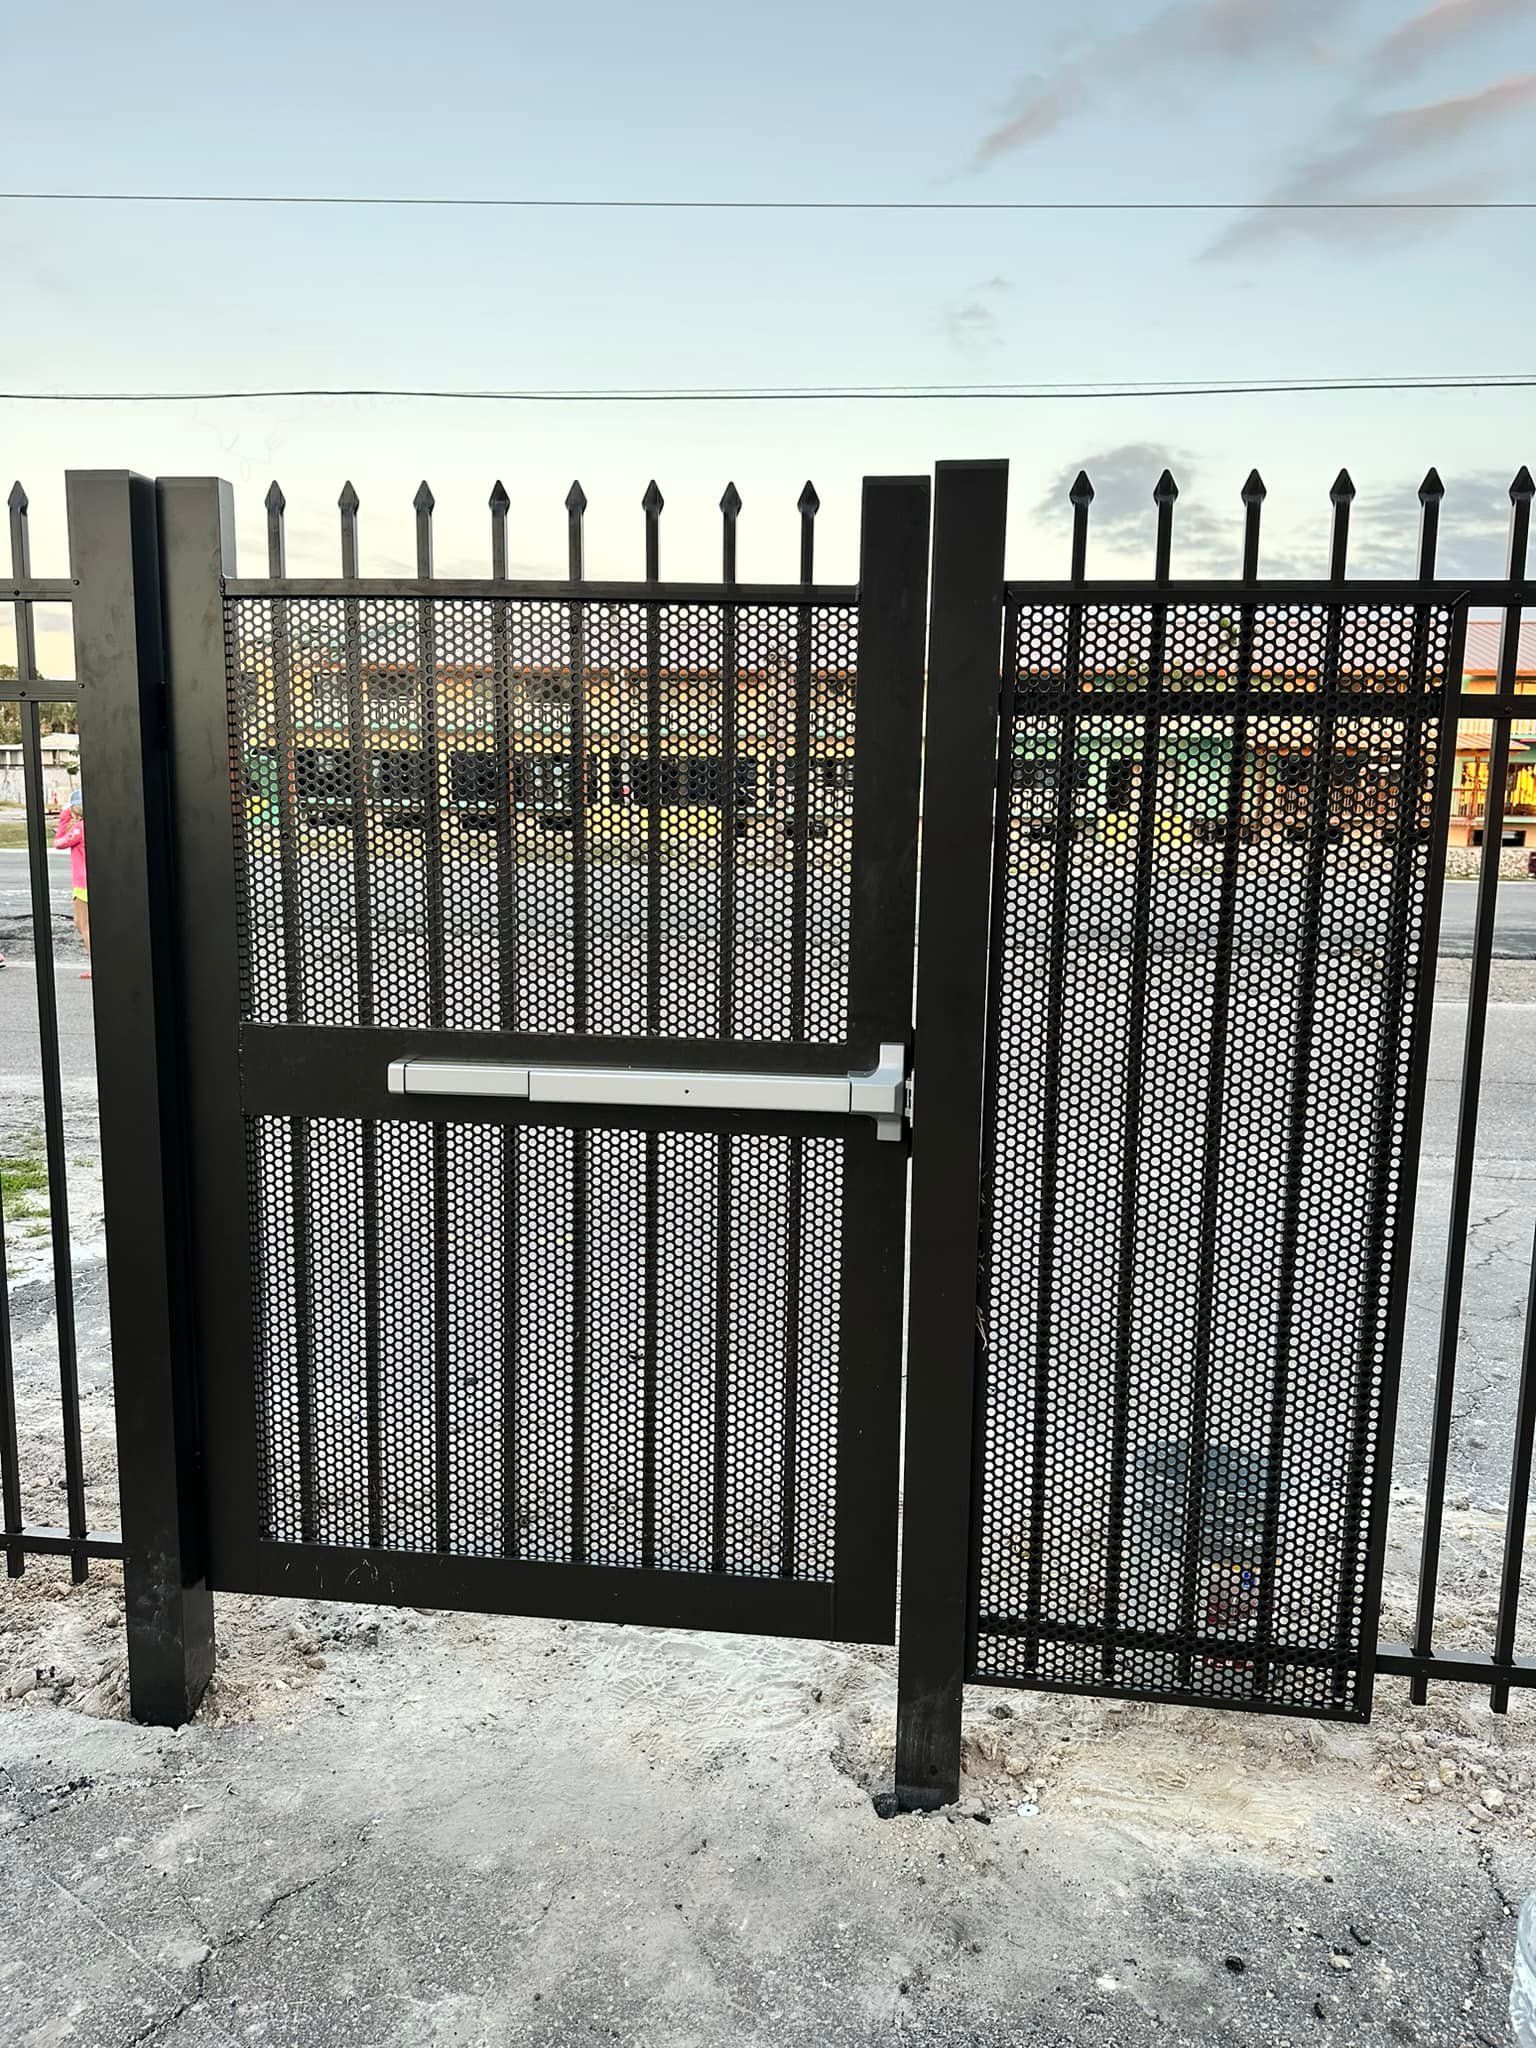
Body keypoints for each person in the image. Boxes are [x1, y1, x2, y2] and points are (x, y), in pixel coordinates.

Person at [54, 788, 89, 981]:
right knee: (79, 922)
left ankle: (95, 965)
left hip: (81, 883)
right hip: (90, 880)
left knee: (84, 925)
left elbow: (58, 842)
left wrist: (64, 817)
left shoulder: (79, 829)